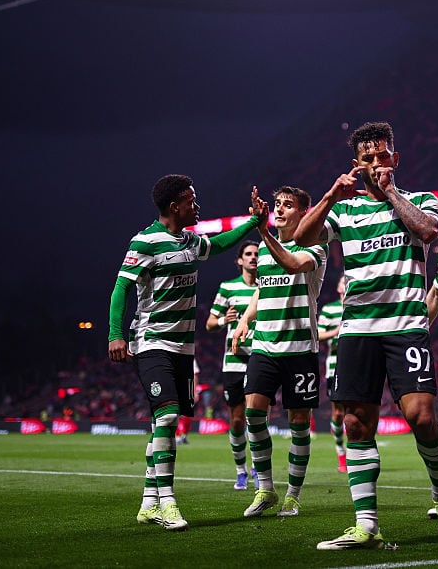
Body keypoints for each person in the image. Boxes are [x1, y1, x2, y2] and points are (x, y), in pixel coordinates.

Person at [293, 121, 438, 550]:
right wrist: (332, 194)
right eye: (368, 159)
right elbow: (299, 236)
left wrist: (390, 193)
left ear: (396, 158)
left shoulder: (420, 200)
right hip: (357, 329)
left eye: (383, 156)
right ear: (356, 164)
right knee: (355, 422)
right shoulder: (344, 211)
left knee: (423, 418)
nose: (376, 164)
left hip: (405, 325)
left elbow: (428, 232)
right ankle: (366, 525)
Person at [108, 174, 263, 531]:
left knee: (160, 423)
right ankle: (167, 503)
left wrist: (254, 221)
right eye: (192, 200)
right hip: (152, 341)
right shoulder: (145, 242)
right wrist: (116, 335)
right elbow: (121, 289)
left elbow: (221, 244)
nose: (197, 205)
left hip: (183, 348)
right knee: (167, 418)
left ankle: (148, 503)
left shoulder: (190, 241)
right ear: (175, 205)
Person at [232, 185, 327, 519]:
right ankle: (266, 488)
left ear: (304, 212)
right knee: (253, 414)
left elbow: (289, 264)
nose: (281, 209)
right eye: (277, 204)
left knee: (299, 423)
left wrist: (264, 232)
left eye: (289, 205)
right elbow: (262, 289)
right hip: (264, 346)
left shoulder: (316, 248)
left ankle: (293, 495)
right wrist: (245, 319)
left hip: (300, 348)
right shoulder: (262, 246)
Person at [206, 240, 259, 490]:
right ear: (239, 260)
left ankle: (258, 467)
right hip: (234, 362)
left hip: (260, 359)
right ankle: (241, 471)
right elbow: (209, 323)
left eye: (256, 254)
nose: (252, 257)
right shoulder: (228, 288)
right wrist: (222, 321)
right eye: (248, 254)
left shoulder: (268, 286)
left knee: (257, 417)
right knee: (237, 420)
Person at [318, 274, 349, 473]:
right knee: (338, 413)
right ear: (338, 288)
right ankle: (341, 453)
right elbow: (318, 334)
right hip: (334, 367)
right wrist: (336, 331)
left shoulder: (360, 307)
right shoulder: (330, 310)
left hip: (358, 368)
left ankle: (358, 454)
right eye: (343, 281)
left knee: (357, 412)